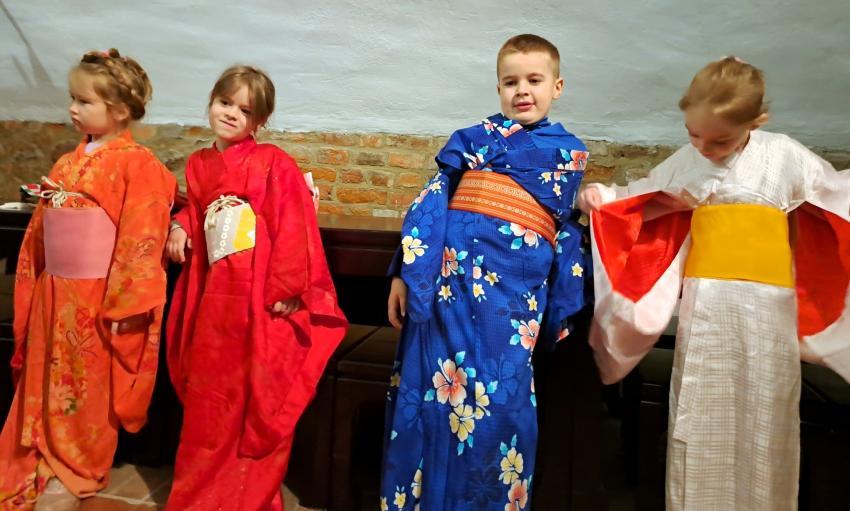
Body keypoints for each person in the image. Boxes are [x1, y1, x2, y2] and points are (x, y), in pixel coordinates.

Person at [579, 56, 850, 510]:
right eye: (694, 135)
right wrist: (603, 200)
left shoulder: (784, 156)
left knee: (768, 413)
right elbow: (645, 197)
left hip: (769, 311)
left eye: (720, 139)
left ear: (756, 122)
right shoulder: (690, 162)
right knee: (698, 409)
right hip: (707, 307)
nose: (704, 148)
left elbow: (836, 194)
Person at [380, 34, 591, 510]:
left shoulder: (568, 154)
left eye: (534, 80)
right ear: (498, 88)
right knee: (431, 396)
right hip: (446, 288)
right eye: (511, 82)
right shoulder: (472, 140)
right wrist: (403, 270)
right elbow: (430, 203)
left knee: (501, 403)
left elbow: (563, 227)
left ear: (557, 86)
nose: (523, 91)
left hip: (511, 301)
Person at [164, 65, 347, 511]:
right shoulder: (199, 163)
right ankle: (199, 492)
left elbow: (294, 221)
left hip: (257, 292)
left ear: (259, 121)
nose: (231, 114)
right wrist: (180, 224)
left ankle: (247, 492)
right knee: (210, 390)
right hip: (213, 295)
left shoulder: (273, 162)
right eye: (225, 102)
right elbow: (198, 208)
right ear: (211, 102)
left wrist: (288, 286)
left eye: (245, 110)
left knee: (256, 387)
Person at [0, 48, 176, 510]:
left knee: (87, 382)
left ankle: (77, 464)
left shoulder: (138, 164)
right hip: (55, 290)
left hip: (98, 293)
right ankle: (42, 451)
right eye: (72, 99)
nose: (73, 109)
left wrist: (124, 302)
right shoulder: (66, 163)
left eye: (84, 101)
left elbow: (141, 236)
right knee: (46, 376)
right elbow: (41, 231)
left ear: (119, 110)